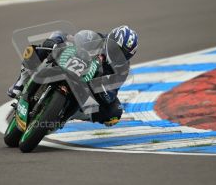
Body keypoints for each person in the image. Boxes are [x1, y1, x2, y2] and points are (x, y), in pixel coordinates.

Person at [8, 26, 138, 126]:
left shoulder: (122, 69)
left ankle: (68, 114)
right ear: (110, 39)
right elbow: (67, 36)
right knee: (35, 49)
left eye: (124, 54)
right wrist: (54, 41)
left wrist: (102, 90)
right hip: (71, 64)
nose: (118, 55)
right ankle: (20, 82)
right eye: (116, 49)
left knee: (114, 114)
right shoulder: (96, 38)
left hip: (87, 87)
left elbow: (111, 93)